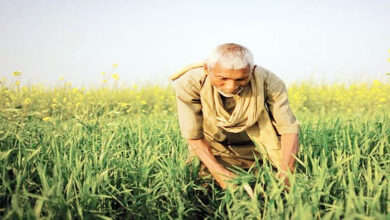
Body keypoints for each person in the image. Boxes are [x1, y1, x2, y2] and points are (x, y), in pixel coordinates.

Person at [171, 43, 300, 189]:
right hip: (214, 148)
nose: (230, 86)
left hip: (258, 149)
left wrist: (286, 171)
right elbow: (193, 135)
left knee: (271, 183)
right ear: (207, 69)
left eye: (240, 79)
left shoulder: (269, 81)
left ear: (252, 71)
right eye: (222, 78)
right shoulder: (190, 83)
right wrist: (218, 172)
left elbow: (289, 128)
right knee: (200, 184)